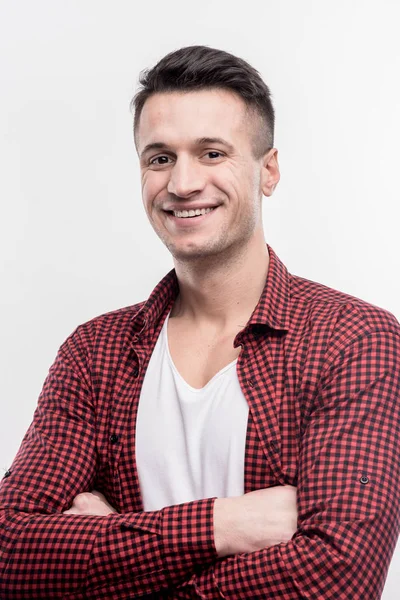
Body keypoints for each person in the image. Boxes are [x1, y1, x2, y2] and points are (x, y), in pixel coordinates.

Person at [0, 45, 399, 600]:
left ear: (269, 171)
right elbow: (10, 554)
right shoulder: (94, 353)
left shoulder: (355, 341)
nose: (183, 183)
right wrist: (224, 525)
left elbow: (335, 575)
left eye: (212, 154)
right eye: (159, 158)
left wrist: (108, 545)